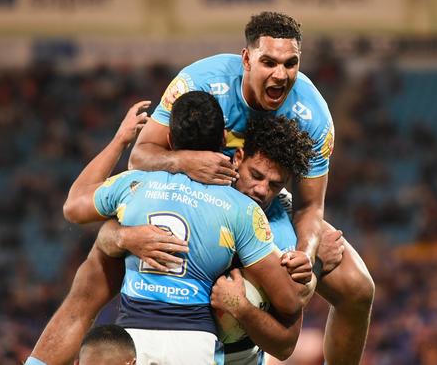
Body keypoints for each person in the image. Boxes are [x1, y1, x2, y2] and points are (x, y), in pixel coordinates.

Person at [30, 11, 374, 365]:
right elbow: (143, 155)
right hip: (191, 195)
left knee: (359, 289)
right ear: (246, 58)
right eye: (269, 62)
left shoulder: (313, 115)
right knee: (92, 278)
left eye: (291, 64)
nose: (281, 74)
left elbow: (310, 207)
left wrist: (306, 253)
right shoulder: (201, 81)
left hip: (262, 208)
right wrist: (184, 162)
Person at [37, 91, 308, 365]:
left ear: (169, 140)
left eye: (273, 184)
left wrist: (121, 141)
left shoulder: (134, 185)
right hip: (196, 344)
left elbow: (73, 206)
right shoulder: (242, 209)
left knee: (90, 276)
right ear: (225, 144)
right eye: (258, 177)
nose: (262, 189)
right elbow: (289, 302)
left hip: (135, 339)